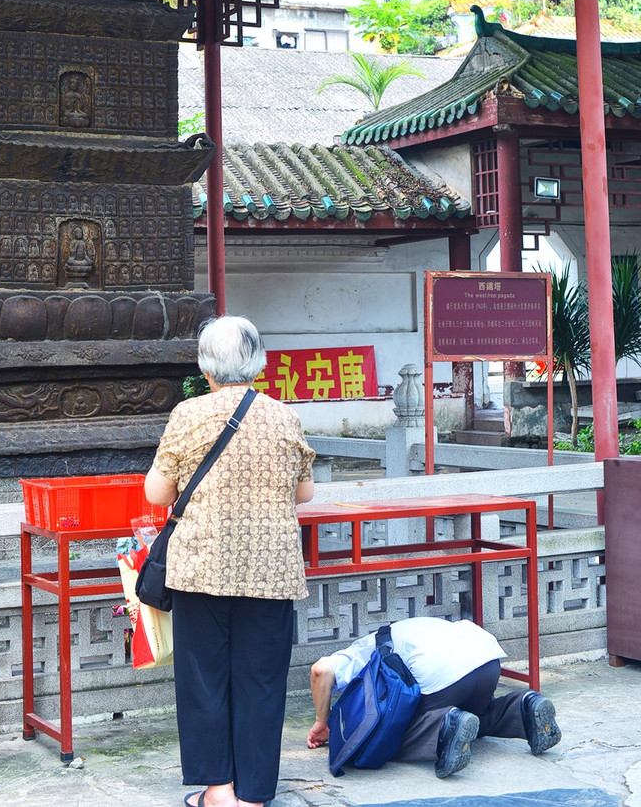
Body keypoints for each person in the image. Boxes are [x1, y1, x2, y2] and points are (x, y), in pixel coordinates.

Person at [144, 315, 315, 807]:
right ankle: (255, 794)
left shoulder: (188, 414)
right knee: (262, 681)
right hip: (271, 569)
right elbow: (303, 492)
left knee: (204, 680)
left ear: (206, 367)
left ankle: (217, 791)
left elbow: (158, 492)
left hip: (203, 565)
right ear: (259, 362)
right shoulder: (285, 416)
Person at [307, 617, 561, 778]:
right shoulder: (406, 628)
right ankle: (525, 706)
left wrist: (322, 722)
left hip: (442, 673)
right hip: (486, 659)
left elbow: (321, 671)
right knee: (477, 717)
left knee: (384, 739)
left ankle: (444, 727)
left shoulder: (360, 651)